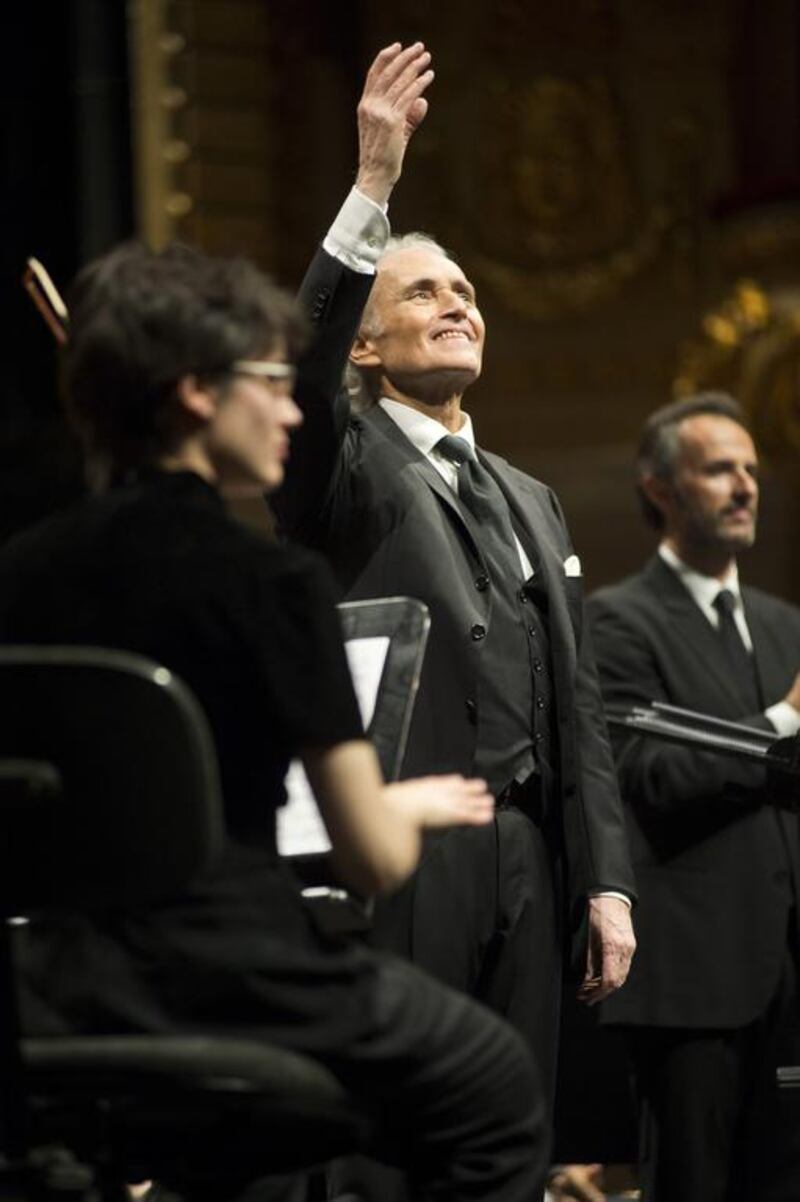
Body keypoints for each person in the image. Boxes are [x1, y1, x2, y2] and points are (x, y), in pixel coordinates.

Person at [0, 238, 549, 1202]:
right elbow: (370, 860)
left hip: (56, 980)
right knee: (495, 1086)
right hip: (236, 977)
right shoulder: (271, 584)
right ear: (197, 394)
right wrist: (410, 807)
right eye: (271, 378)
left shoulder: (19, 574)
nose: (296, 406)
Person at [273, 41, 637, 1164]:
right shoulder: (338, 463)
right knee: (399, 1126)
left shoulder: (529, 495)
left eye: (466, 293)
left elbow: (575, 698)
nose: (457, 305)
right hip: (405, 833)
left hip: (530, 850)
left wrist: (609, 880)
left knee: (509, 1131)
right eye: (423, 290)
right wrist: (372, 187)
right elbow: (295, 373)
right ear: (368, 344)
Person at [587, 392, 800, 1202]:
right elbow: (651, 777)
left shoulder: (786, 625)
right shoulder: (618, 621)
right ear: (661, 490)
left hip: (791, 968)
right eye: (720, 470)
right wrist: (787, 719)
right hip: (696, 982)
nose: (746, 486)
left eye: (751, 469)